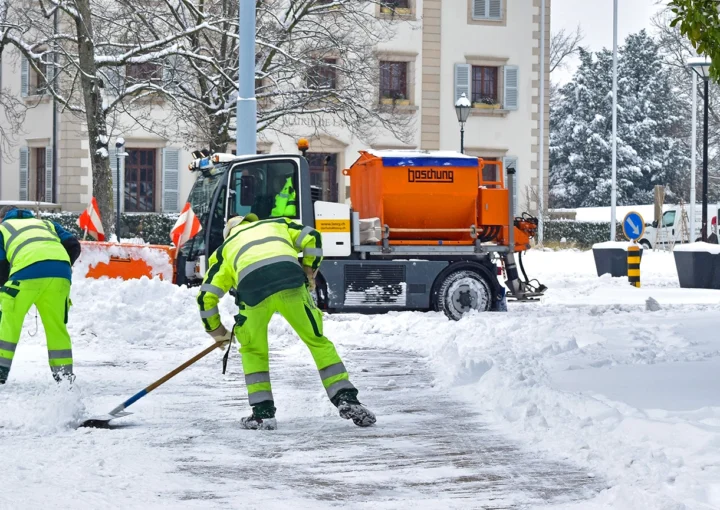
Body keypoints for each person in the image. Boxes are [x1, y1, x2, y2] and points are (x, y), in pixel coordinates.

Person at [197, 213, 375, 430]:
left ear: (229, 233)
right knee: (317, 341)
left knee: (253, 351)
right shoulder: (276, 224)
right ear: (252, 221)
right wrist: (309, 269)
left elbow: (206, 297)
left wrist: (218, 332)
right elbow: (313, 237)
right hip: (290, 280)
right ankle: (345, 398)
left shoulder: (225, 250)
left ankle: (262, 414)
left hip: (253, 291)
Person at [0, 206, 81, 384]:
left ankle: (0, 371)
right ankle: (64, 377)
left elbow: (0, 263)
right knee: (56, 327)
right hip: (61, 273)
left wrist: (4, 286)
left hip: (25, 273)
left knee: (9, 321)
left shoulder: (3, 228)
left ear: (3, 218)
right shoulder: (47, 223)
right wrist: (60, 267)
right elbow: (74, 245)